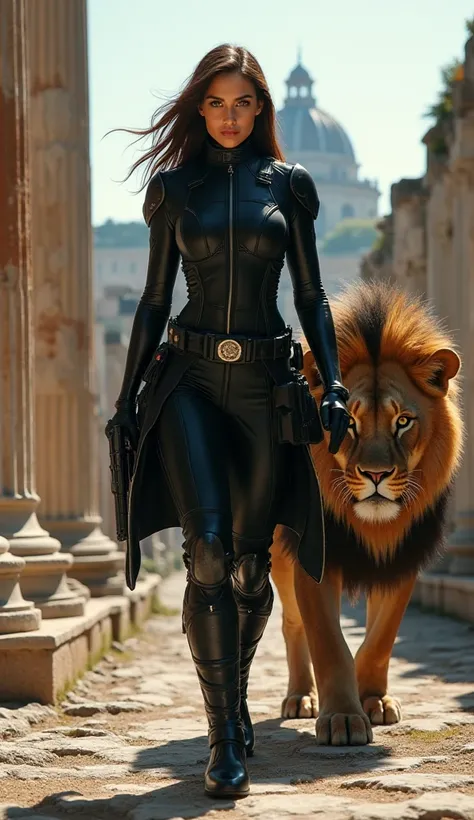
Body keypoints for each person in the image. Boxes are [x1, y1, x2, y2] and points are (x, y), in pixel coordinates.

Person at [108, 43, 350, 799]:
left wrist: (334, 380)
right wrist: (125, 401)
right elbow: (152, 300)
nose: (229, 117)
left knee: (249, 568)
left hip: (265, 387)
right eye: (215, 102)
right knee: (207, 552)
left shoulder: (292, 185)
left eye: (243, 103)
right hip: (187, 382)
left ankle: (236, 697)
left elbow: (310, 296)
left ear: (263, 108)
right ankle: (223, 739)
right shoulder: (174, 188)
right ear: (199, 107)